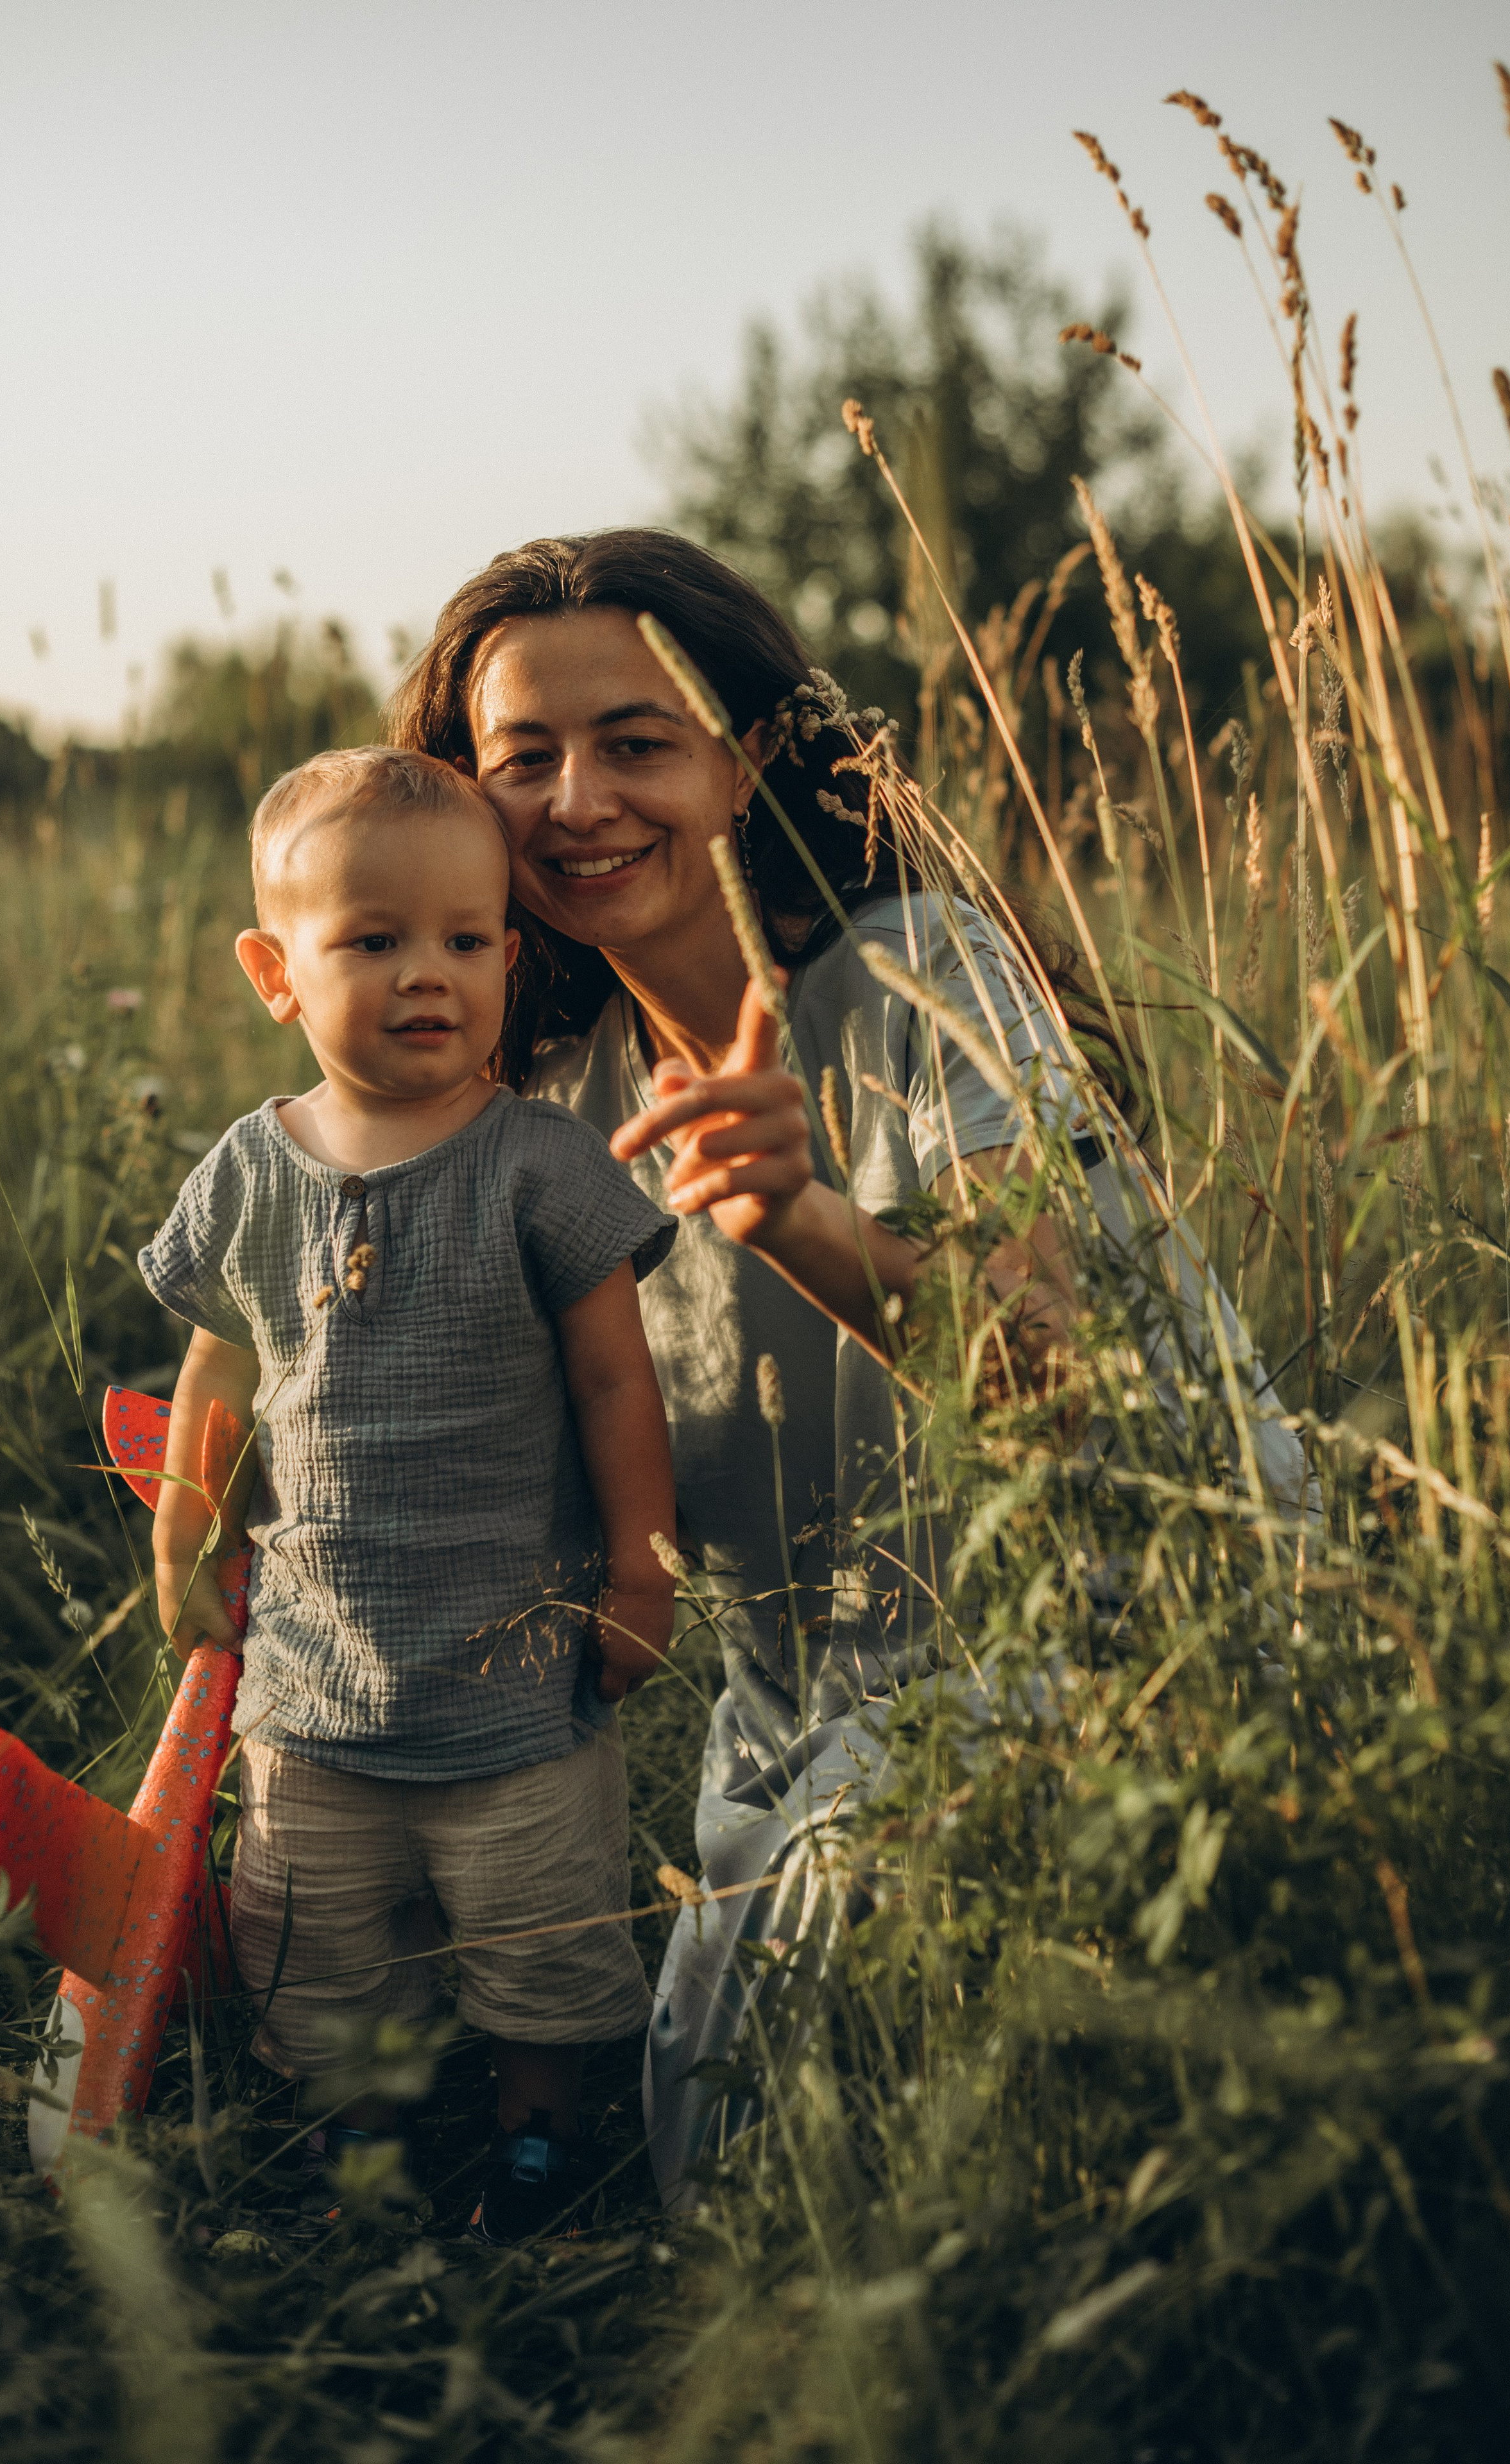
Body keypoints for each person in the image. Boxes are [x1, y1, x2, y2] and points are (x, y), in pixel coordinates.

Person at [388, 530, 1313, 2206]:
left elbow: (1065, 1391)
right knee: (723, 2185)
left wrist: (796, 1215)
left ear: (742, 768)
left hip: (1115, 1634)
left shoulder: (920, 973)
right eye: (524, 759)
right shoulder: (542, 1106)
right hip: (796, 1717)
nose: (580, 798)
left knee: (863, 2135)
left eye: (639, 742)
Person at [141, 744, 678, 2242]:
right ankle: (354, 2147)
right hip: (312, 1687)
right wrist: (185, 1539)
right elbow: (217, 1382)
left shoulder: (539, 1169)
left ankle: (534, 2139)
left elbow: (614, 1387)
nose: (424, 974)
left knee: (537, 1932)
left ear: (510, 957)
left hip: (513, 1678)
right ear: (275, 970)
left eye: (462, 940)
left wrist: (642, 1579)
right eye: (371, 941)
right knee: (311, 1949)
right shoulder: (251, 1170)